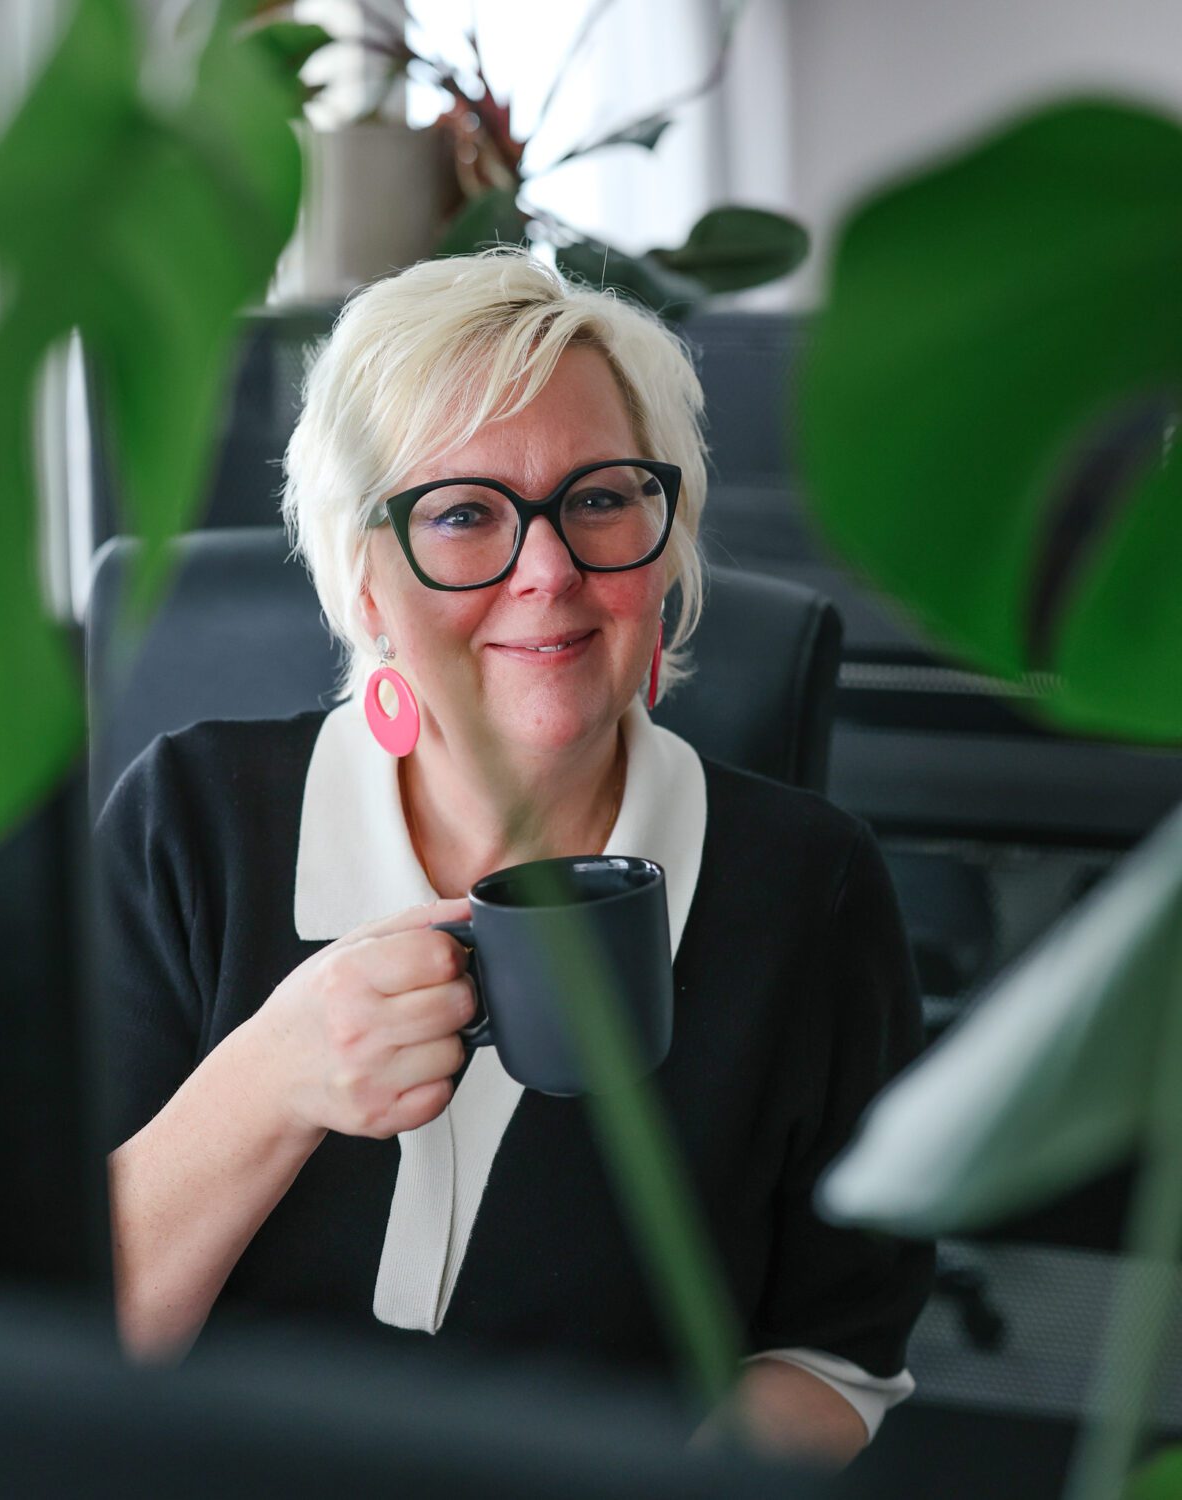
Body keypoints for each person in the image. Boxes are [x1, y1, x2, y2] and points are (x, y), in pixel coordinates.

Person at [97, 249, 932, 1468]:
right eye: (461, 513)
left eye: (599, 499)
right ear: (365, 581)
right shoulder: (189, 823)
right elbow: (58, 1333)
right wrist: (272, 1078)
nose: (549, 571)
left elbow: (835, 1354)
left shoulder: (810, 887)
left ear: (666, 537)